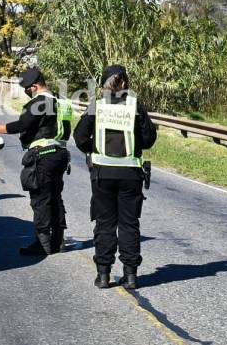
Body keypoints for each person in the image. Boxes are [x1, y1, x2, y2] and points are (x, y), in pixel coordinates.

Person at [73, 64, 157, 289]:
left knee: (105, 224)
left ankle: (103, 275)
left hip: (102, 175)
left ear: (104, 84)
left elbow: (79, 137)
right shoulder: (135, 107)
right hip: (131, 175)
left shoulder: (97, 107)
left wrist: (93, 149)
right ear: (125, 83)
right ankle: (130, 276)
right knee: (129, 224)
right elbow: (149, 139)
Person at [0, 67, 72, 255]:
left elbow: (22, 125)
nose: (26, 91)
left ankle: (42, 243)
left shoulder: (40, 103)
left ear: (35, 86)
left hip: (43, 155)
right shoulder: (61, 102)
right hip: (61, 154)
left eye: (27, 87)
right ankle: (58, 241)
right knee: (55, 197)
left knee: (40, 199)